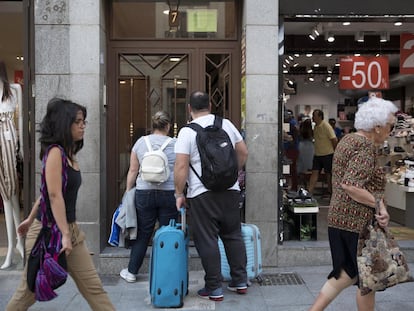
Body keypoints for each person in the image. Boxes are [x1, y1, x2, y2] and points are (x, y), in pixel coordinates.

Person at [6, 98, 115, 311]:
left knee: (94, 288)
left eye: (84, 121)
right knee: (26, 294)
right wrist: (63, 233)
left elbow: (46, 191)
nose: (83, 126)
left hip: (70, 232)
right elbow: (54, 195)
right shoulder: (55, 152)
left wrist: (29, 218)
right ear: (65, 124)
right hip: (48, 233)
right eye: (78, 122)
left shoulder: (68, 153)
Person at [309, 97, 397, 311]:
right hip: (357, 223)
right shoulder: (366, 147)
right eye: (390, 126)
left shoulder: (348, 140)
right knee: (366, 280)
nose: (392, 131)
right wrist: (378, 204)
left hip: (339, 218)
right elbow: (351, 185)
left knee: (348, 274)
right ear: (377, 127)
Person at [174, 91, 248, 301]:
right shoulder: (226, 124)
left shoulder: (187, 132)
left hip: (202, 193)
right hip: (230, 190)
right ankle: (240, 281)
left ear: (190, 108)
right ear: (210, 104)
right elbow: (243, 152)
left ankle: (214, 287)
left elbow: (180, 166)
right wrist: (232, 174)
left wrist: (179, 193)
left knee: (207, 239)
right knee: (233, 235)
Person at [119, 111, 178, 283]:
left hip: (144, 192)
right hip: (169, 193)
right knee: (167, 232)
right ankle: (167, 274)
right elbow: (181, 170)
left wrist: (128, 192)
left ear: (153, 126)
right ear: (167, 126)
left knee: (143, 233)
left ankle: (131, 272)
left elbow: (132, 170)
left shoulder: (140, 143)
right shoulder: (175, 144)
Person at [0, 60, 24, 269]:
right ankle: (18, 244)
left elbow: (21, 119)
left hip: (8, 144)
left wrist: (22, 148)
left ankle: (15, 247)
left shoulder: (14, 90)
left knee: (11, 194)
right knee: (8, 197)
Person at [308, 109, 338, 195]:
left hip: (327, 154)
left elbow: (334, 139)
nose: (313, 117)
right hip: (318, 154)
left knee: (329, 174)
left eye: (314, 116)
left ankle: (331, 192)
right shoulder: (316, 127)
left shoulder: (326, 126)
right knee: (314, 172)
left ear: (320, 117)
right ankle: (309, 193)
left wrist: (336, 152)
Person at [283, 109, 299, 191]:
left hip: (291, 150)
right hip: (290, 149)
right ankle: (290, 186)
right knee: (289, 169)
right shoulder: (291, 124)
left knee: (290, 168)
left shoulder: (291, 124)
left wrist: (288, 138)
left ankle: (292, 187)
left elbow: (291, 139)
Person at [297, 118, 314, 189]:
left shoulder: (301, 129)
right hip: (310, 147)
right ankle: (307, 183)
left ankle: (302, 182)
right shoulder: (312, 131)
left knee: (301, 164)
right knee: (309, 164)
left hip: (301, 146)